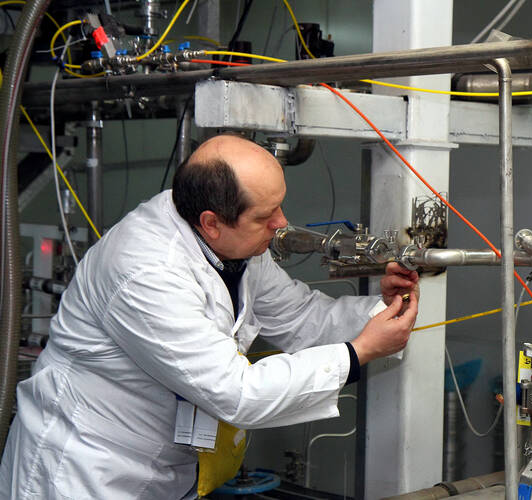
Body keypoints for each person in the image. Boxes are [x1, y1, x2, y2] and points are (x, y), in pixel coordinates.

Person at [0, 134, 419, 499]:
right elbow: (235, 393)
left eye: (279, 207)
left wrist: (380, 311)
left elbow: (300, 317)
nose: (281, 223)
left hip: (166, 467)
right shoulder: (145, 271)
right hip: (86, 472)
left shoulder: (232, 244)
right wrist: (358, 352)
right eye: (265, 216)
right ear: (211, 222)